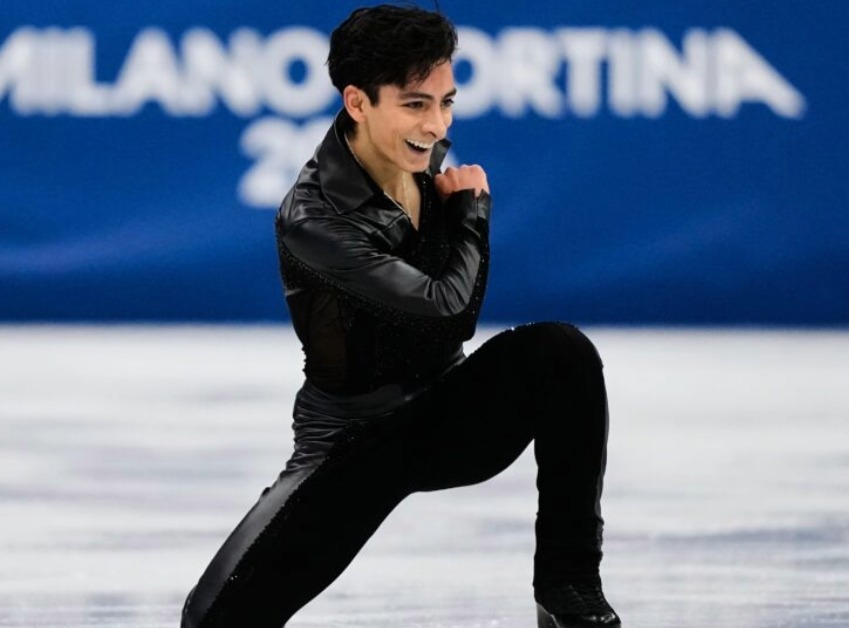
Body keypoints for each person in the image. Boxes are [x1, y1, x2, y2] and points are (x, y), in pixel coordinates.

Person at [181, 5, 620, 627]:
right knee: (213, 621)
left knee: (561, 352)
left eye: (446, 102)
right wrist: (471, 215)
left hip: (446, 419)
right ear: (358, 102)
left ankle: (568, 584)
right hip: (353, 444)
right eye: (416, 105)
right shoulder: (314, 217)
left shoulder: (426, 167)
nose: (437, 125)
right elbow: (447, 314)